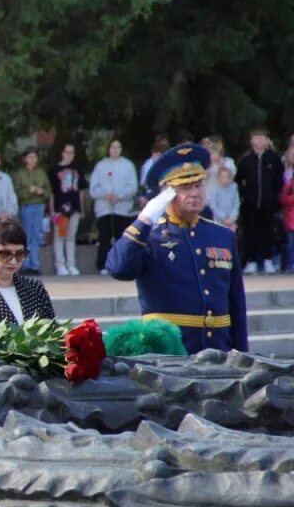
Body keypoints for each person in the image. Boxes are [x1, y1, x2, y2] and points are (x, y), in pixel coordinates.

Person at [107, 143, 247, 354]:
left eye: (199, 185)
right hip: (169, 357)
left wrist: (241, 355)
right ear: (166, 194)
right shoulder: (149, 236)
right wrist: (144, 220)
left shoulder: (222, 235)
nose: (194, 193)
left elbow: (236, 303)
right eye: (184, 187)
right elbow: (118, 268)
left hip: (219, 353)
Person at [235, 127, 284, 274]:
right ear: (251, 140)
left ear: (267, 140)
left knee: (268, 231)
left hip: (269, 203)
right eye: (256, 137)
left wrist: (274, 196)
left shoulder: (274, 159)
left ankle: (268, 260)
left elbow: (279, 179)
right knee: (251, 232)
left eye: (262, 137)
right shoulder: (245, 160)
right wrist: (245, 195)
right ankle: (251, 261)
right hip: (250, 203)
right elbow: (239, 180)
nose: (259, 140)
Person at [89, 139, 138, 275]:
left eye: (118, 147)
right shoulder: (100, 166)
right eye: (112, 147)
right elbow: (93, 187)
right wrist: (105, 196)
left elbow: (132, 186)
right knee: (104, 237)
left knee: (121, 238)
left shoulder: (128, 165)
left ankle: (122, 264)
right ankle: (103, 265)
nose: (115, 149)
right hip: (104, 208)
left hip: (122, 209)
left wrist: (120, 196)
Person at [11, 147, 51, 275]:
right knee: (26, 235)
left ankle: (35, 264)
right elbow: (17, 191)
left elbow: (48, 190)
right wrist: (30, 191)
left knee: (37, 235)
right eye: (30, 157)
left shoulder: (41, 173)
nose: (32, 160)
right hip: (26, 206)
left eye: (34, 157)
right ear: (25, 159)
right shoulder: (20, 173)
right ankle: (25, 264)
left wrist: (41, 192)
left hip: (39, 206)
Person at [48, 143, 86, 276]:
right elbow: (51, 192)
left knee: (71, 236)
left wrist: (82, 209)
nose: (69, 155)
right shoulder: (54, 169)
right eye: (67, 152)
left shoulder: (77, 169)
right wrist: (52, 210)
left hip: (74, 208)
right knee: (59, 236)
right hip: (60, 208)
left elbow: (81, 190)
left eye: (72, 152)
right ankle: (60, 265)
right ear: (62, 153)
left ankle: (71, 264)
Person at [208, 166, 239, 231]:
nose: (224, 179)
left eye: (226, 177)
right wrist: (223, 218)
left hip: (231, 221)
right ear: (218, 178)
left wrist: (232, 217)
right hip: (218, 221)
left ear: (230, 178)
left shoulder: (233, 188)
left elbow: (236, 204)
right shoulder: (215, 190)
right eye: (222, 177)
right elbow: (213, 206)